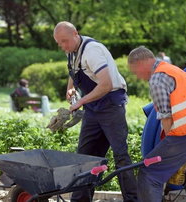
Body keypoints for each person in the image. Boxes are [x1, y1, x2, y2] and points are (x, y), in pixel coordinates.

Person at [53, 21, 137, 202]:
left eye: (65, 41)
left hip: (111, 106)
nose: (63, 46)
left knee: (120, 155)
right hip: (92, 109)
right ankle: (80, 200)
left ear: (75, 33)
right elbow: (73, 72)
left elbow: (106, 85)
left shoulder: (92, 51)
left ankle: (133, 199)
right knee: (85, 156)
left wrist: (80, 102)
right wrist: (71, 88)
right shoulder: (72, 51)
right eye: (59, 43)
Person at [127, 46, 186, 202]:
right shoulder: (176, 71)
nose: (138, 77)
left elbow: (166, 118)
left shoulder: (157, 78)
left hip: (184, 135)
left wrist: (173, 150)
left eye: (135, 72)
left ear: (141, 63)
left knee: (149, 174)